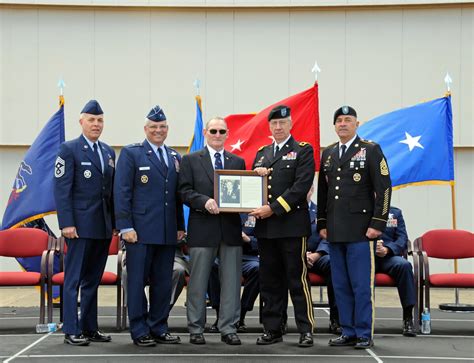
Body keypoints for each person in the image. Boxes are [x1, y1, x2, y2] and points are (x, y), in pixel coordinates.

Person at [317, 105, 392, 349]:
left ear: (357, 124)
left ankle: (363, 332)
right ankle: (347, 330)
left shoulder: (370, 150)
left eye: (348, 120)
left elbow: (384, 189)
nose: (343, 124)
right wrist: (322, 223)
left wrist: (377, 224)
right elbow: (323, 192)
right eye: (338, 120)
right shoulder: (328, 153)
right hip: (336, 231)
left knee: (361, 285)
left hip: (361, 231)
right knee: (340, 284)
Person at [114, 105, 185, 347]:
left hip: (166, 232)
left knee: (163, 282)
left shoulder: (175, 157)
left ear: (167, 129)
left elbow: (176, 196)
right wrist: (125, 227)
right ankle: (139, 329)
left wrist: (179, 225)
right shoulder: (132, 154)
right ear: (146, 129)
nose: (158, 130)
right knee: (136, 282)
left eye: (162, 127)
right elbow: (121, 193)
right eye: (154, 127)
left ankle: (159, 327)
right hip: (139, 232)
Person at [251, 105, 315, 347]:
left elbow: (300, 187)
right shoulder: (262, 153)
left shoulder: (302, 151)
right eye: (274, 124)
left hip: (291, 226)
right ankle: (272, 328)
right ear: (269, 126)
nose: (278, 127)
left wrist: (273, 208)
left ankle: (306, 329)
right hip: (266, 230)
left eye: (282, 123)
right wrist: (255, 175)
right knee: (270, 280)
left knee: (297, 279)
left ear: (290, 124)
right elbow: (253, 190)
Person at [178, 117, 246, 346]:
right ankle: (196, 328)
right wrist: (203, 201)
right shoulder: (190, 160)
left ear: (228, 134)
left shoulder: (237, 161)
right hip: (202, 228)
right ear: (205, 132)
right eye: (213, 131)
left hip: (230, 230)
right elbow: (184, 191)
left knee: (231, 282)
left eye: (222, 131)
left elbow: (243, 196)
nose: (217, 135)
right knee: (198, 281)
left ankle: (228, 327)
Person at [54, 100, 115, 346]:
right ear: (81, 122)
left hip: (102, 226)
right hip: (78, 227)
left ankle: (89, 327)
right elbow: (61, 189)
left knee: (93, 280)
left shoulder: (108, 152)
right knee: (74, 280)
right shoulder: (69, 150)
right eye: (91, 120)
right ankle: (71, 329)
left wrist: (114, 222)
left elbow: (110, 192)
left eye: (100, 120)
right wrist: (66, 223)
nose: (96, 124)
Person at [207, 213, 261, 333]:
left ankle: (241, 314)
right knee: (212, 266)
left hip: (247, 257)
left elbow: (263, 240)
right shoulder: (224, 209)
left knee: (258, 269)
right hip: (224, 255)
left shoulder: (255, 210)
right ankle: (220, 314)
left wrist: (248, 239)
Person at [376, 206, 417, 337]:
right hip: (366, 256)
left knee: (404, 265)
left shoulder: (395, 213)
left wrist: (387, 249)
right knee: (357, 269)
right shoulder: (360, 210)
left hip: (389, 256)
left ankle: (408, 317)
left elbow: (402, 238)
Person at [305, 186, 341, 335]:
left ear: (312, 190)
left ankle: (336, 320)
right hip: (294, 255)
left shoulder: (321, 212)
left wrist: (317, 254)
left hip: (317, 256)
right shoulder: (288, 212)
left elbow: (328, 235)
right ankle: (280, 320)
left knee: (334, 265)